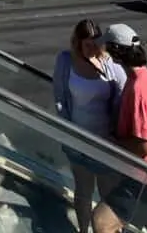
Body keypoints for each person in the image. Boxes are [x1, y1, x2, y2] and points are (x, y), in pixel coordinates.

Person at [92, 24, 147, 233]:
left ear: (116, 52)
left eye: (107, 49)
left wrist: (114, 144)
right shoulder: (139, 79)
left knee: (102, 222)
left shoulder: (141, 89)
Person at [53, 19, 127, 233]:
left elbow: (124, 95)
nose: (92, 49)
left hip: (106, 143)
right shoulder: (66, 61)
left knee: (107, 194)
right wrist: (68, 128)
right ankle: (83, 230)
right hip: (78, 139)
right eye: (87, 45)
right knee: (84, 190)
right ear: (77, 43)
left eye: (96, 44)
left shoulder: (111, 65)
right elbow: (59, 96)